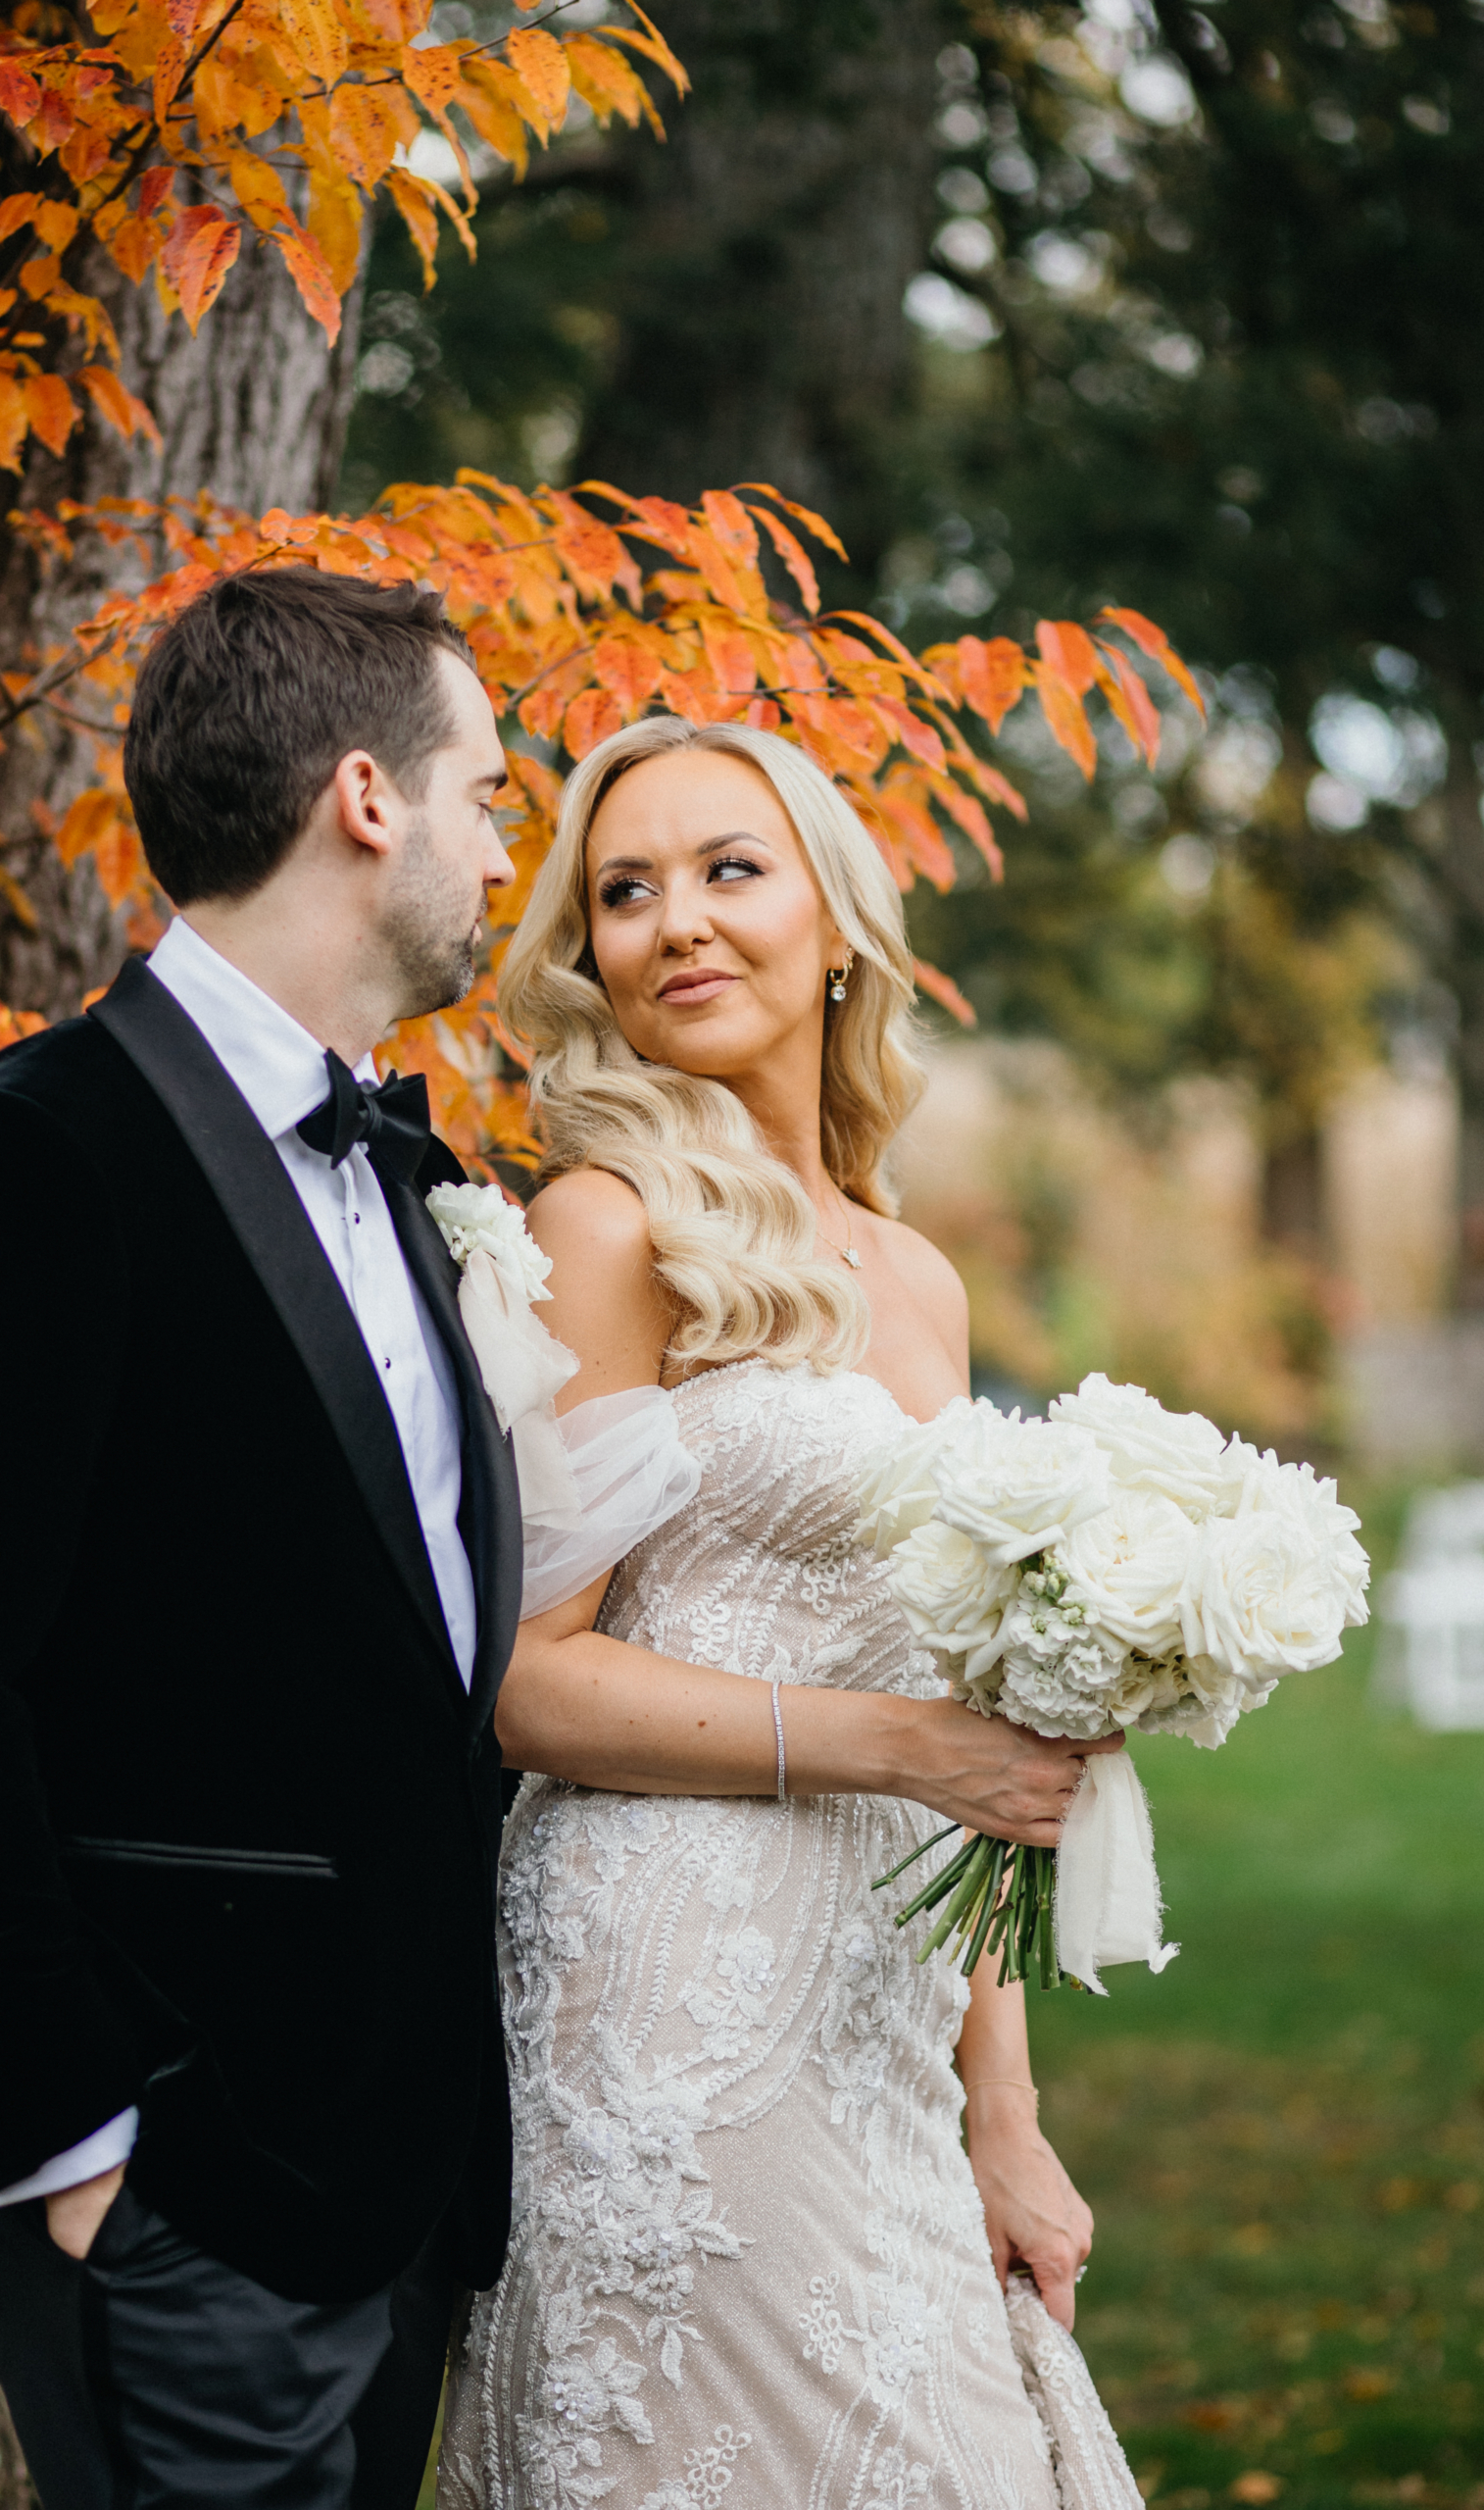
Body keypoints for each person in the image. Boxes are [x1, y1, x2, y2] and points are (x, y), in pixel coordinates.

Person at [0, 569, 523, 2510]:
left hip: (390, 2170)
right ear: (365, 797)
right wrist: (74, 2144)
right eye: (487, 794)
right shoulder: (18, 1162)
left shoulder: (403, 1163)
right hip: (181, 2193)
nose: (497, 847)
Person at [436, 716, 1142, 2509]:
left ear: (837, 922)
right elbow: (528, 1684)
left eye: (729, 871)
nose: (677, 921)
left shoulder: (917, 1276)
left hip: (887, 2003)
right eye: (624, 891)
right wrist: (905, 1747)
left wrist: (1008, 2111)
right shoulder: (605, 1228)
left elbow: (956, 1717)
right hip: (668, 1995)